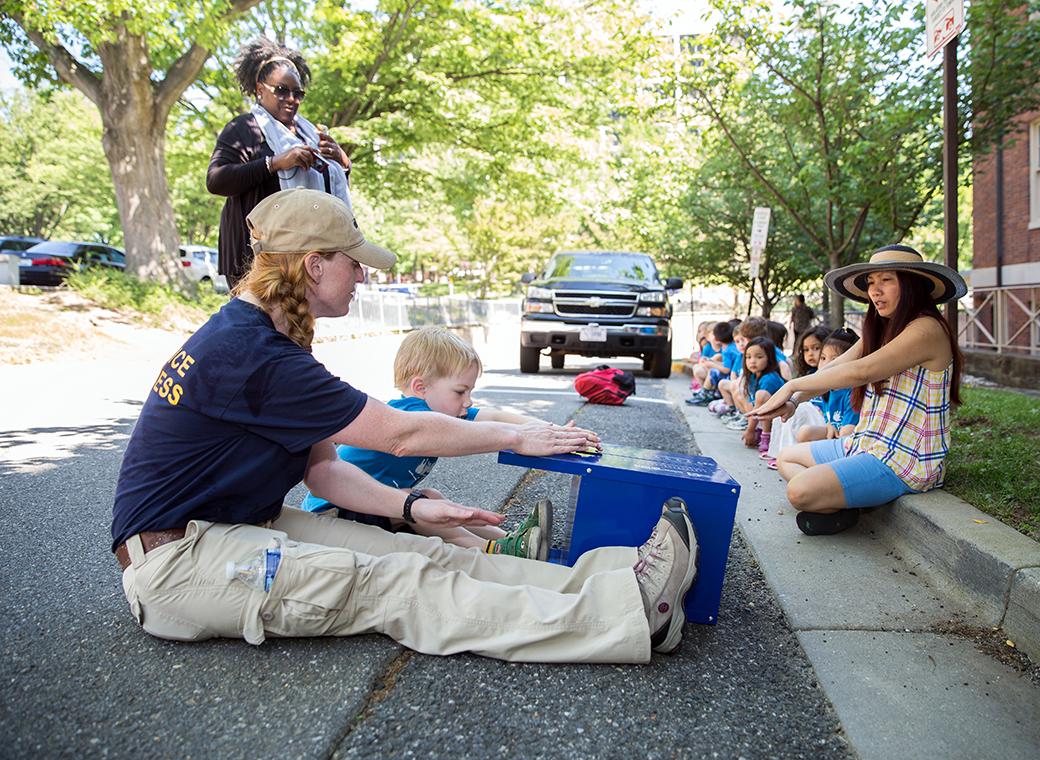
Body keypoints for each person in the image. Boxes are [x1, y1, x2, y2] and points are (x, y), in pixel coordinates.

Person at [111, 188, 700, 662]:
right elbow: (400, 433)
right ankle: (631, 617)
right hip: (179, 564)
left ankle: (623, 577)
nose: (363, 277)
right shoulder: (252, 355)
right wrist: (520, 435)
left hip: (236, 529)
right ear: (314, 266)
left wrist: (412, 510)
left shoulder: (263, 345)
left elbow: (324, 476)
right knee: (398, 585)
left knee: (431, 556)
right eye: (354, 263)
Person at [751, 245, 966, 536]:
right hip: (865, 443)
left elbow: (860, 371)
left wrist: (791, 384)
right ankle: (844, 501)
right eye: (871, 283)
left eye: (886, 280)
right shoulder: (882, 328)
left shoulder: (927, 329)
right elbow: (838, 365)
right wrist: (795, 400)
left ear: (912, 283)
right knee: (786, 457)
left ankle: (836, 499)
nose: (875, 291)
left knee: (799, 491)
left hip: (903, 459)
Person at [300, 326, 555, 559]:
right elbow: (476, 432)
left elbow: (494, 417)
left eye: (470, 392)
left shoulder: (444, 410)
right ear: (421, 387)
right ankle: (493, 549)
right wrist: (520, 437)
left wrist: (547, 430)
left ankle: (510, 540)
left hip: (375, 505)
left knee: (431, 496)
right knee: (419, 501)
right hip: (334, 511)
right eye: (460, 391)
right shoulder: (410, 413)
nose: (468, 401)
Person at [207, 37, 354, 288]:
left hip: (302, 256)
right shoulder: (245, 128)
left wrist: (342, 163)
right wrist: (274, 163)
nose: (291, 99)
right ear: (260, 89)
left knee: (298, 327)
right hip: (253, 258)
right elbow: (216, 180)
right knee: (258, 326)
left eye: (298, 93)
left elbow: (328, 196)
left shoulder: (309, 134)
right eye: (282, 90)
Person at [762, 325, 831, 466]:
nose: (810, 354)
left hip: (825, 420)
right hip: (810, 420)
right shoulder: (808, 373)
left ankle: (791, 455)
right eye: (806, 350)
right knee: (786, 410)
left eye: (816, 348)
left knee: (800, 409)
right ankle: (780, 453)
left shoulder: (831, 375)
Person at [793, 328, 860, 445]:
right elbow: (826, 415)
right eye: (823, 358)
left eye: (834, 360)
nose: (825, 365)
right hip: (834, 434)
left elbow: (847, 433)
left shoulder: (852, 392)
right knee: (805, 432)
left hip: (847, 441)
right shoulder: (828, 388)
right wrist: (829, 424)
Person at [731, 337, 785, 451]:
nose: (752, 361)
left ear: (769, 359)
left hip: (779, 419)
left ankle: (766, 435)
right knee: (741, 394)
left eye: (759, 357)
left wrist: (749, 430)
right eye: (748, 357)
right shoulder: (753, 376)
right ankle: (758, 429)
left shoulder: (770, 378)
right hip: (763, 414)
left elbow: (761, 405)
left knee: (761, 396)